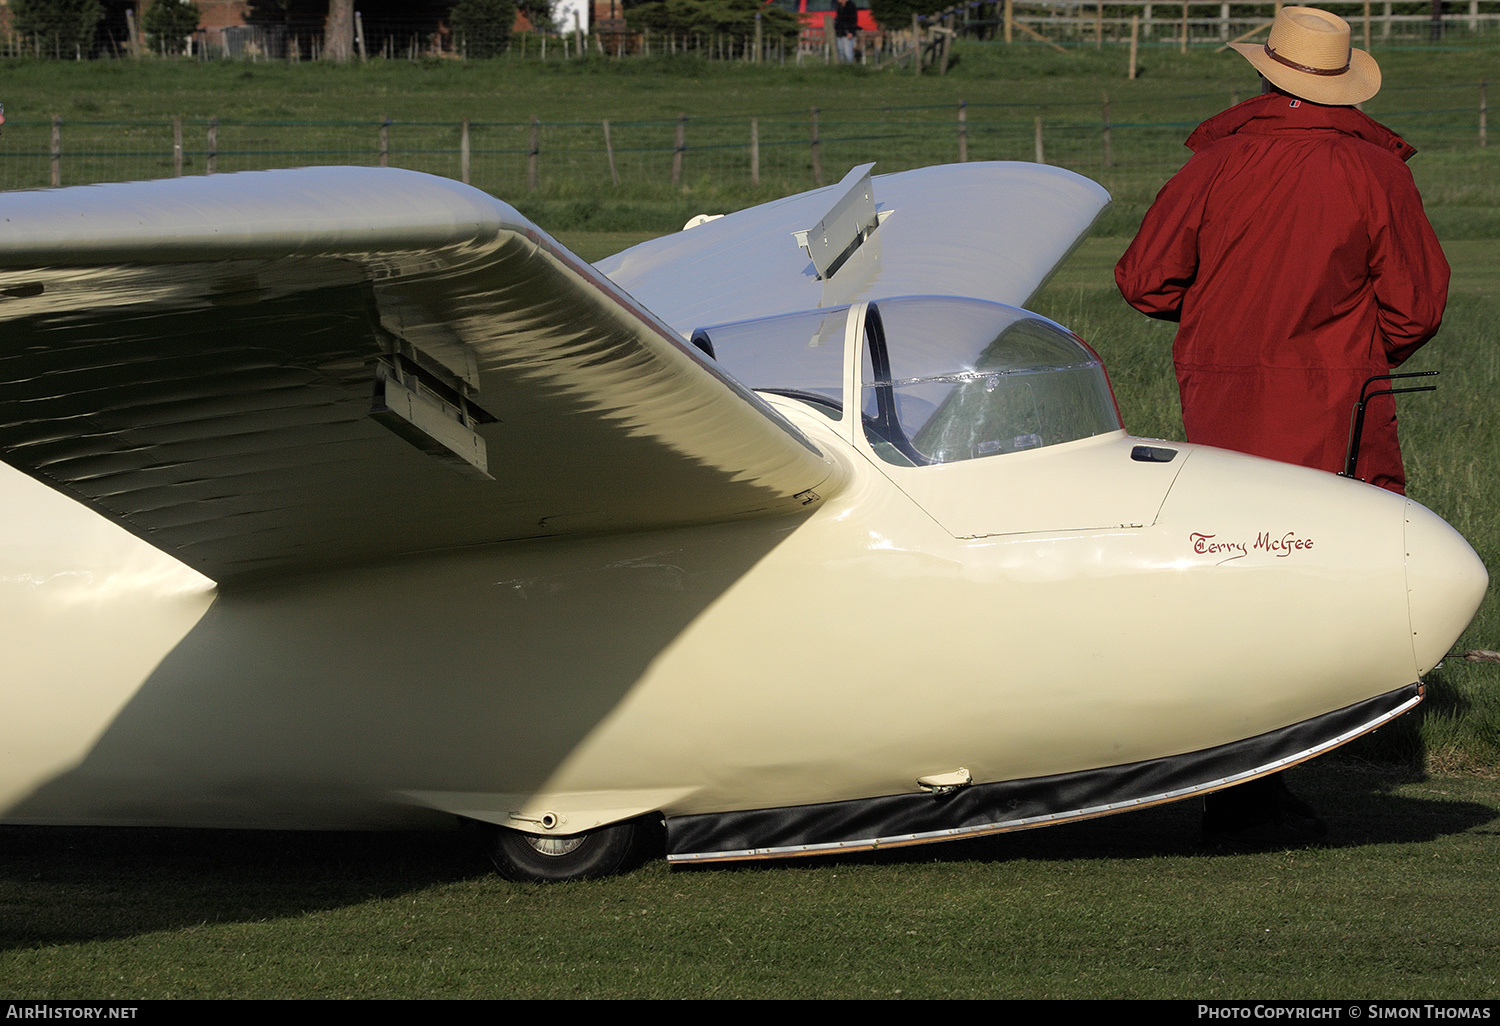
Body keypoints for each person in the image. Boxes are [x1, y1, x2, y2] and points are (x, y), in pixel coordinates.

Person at [1114, 6, 1449, 846]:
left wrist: (1227, 321)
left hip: (1223, 403)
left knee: (1233, 581)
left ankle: (1231, 774)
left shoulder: (1219, 160)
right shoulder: (1375, 171)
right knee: (1320, 581)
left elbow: (1146, 281)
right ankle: (1264, 780)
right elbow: (1416, 305)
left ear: (1267, 73)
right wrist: (1345, 344)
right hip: (1336, 405)